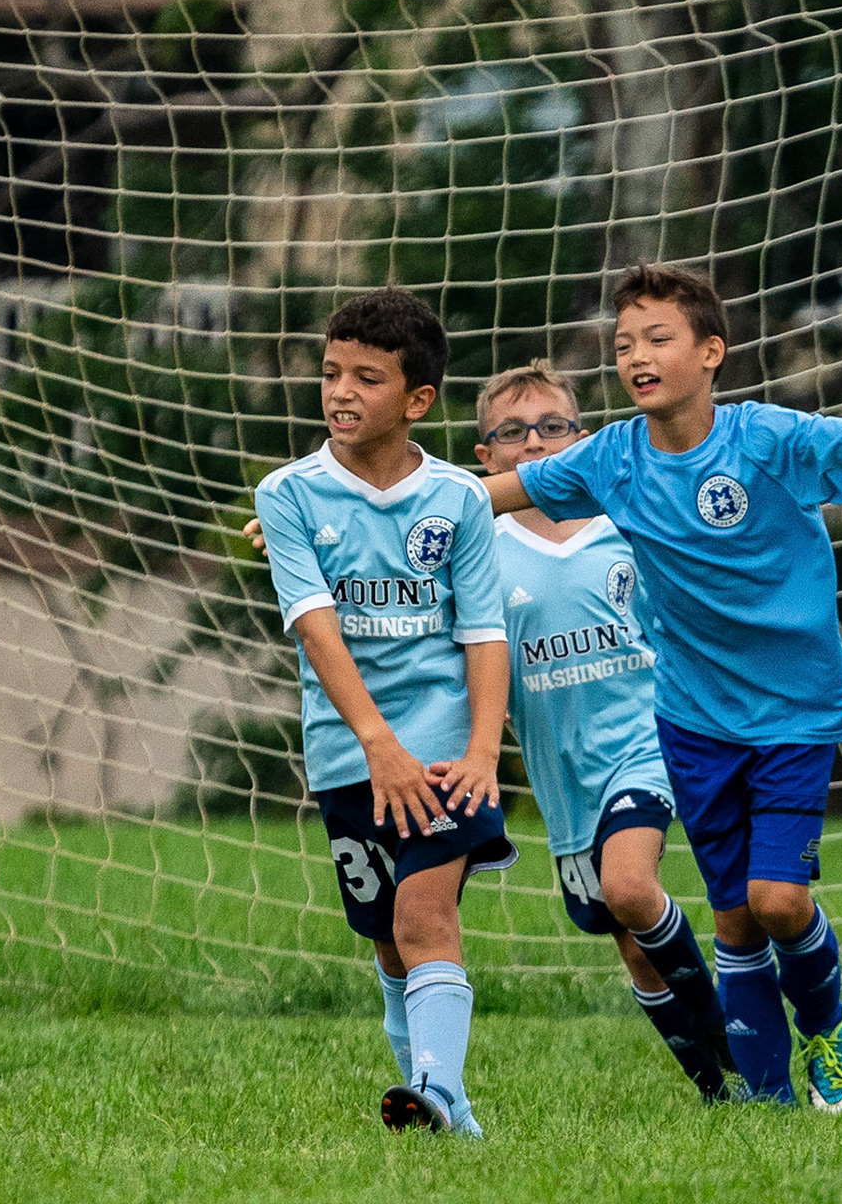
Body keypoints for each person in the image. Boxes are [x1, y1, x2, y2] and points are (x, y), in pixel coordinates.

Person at [481, 264, 842, 1109]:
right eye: (624, 345)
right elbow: (480, 498)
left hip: (796, 712)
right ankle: (766, 1104)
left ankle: (828, 1031)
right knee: (733, 920)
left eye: (659, 339)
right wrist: (348, 515)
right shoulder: (609, 458)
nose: (637, 357)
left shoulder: (766, 439)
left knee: (779, 901)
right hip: (692, 719)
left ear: (712, 351)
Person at [252, 287, 514, 1136]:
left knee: (424, 916)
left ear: (418, 400)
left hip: (441, 749)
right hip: (348, 752)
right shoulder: (287, 494)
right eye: (331, 373)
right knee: (388, 942)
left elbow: (482, 632)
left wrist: (481, 753)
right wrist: (374, 744)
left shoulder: (461, 499)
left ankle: (433, 1091)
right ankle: (452, 1114)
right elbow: (315, 627)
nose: (341, 392)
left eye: (367, 377)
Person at [472, 361, 734, 1102]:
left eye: (554, 426)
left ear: (582, 439)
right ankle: (718, 1088)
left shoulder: (625, 524)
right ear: (485, 458)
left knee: (629, 885)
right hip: (563, 774)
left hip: (648, 742)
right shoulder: (479, 550)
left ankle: (737, 1039)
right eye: (513, 432)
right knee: (629, 940)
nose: (537, 443)